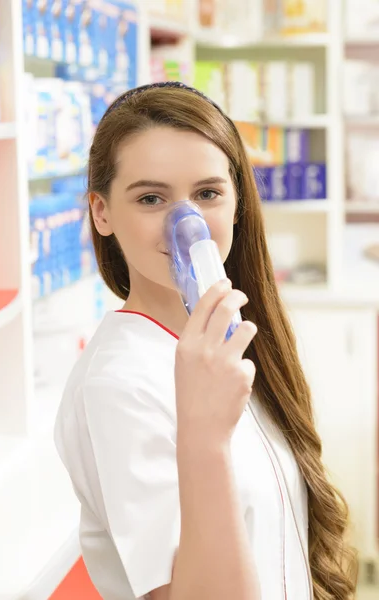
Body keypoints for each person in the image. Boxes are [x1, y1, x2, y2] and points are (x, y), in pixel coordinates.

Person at [54, 82, 357, 600]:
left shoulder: (227, 342)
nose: (186, 224)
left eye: (207, 194)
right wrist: (203, 436)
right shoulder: (120, 386)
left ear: (237, 203)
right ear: (101, 212)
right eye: (151, 198)